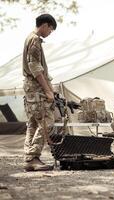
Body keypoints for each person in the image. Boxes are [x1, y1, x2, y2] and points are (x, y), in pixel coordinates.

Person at [23, 14, 57, 171]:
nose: (50, 33)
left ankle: (29, 158)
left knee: (33, 123)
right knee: (46, 122)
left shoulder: (30, 38)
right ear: (45, 25)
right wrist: (47, 90)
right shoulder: (35, 39)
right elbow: (35, 67)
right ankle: (33, 157)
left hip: (30, 88)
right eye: (51, 29)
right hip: (36, 88)